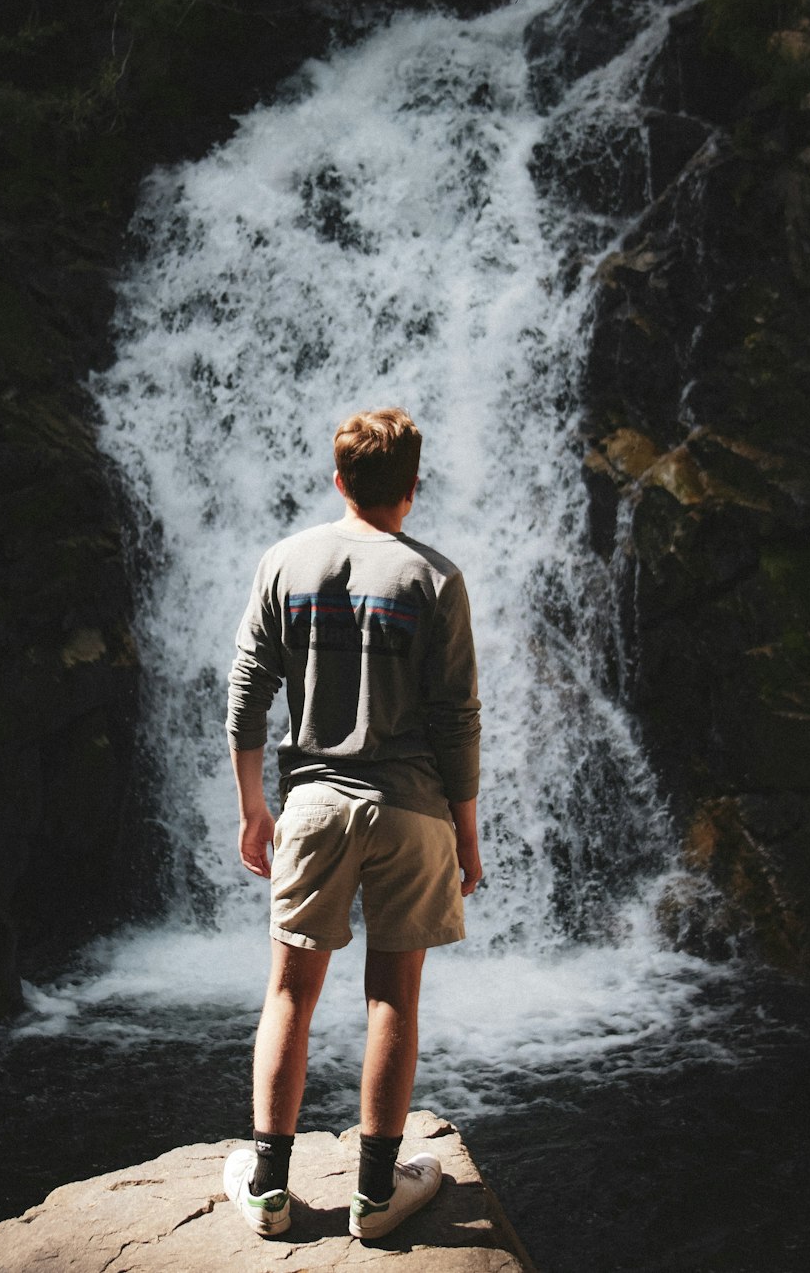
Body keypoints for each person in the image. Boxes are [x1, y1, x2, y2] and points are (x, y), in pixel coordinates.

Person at [223, 406, 482, 1241]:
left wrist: (253, 805)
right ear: (413, 488)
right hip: (412, 808)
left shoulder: (287, 560)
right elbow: (457, 718)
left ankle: (267, 1188)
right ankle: (377, 1193)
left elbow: (246, 693)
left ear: (340, 481)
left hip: (314, 804)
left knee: (290, 992)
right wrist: (467, 833)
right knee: (392, 997)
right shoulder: (436, 577)